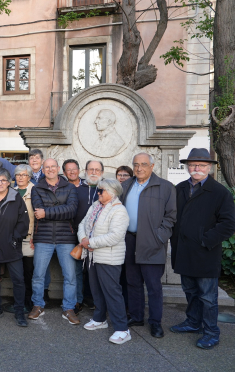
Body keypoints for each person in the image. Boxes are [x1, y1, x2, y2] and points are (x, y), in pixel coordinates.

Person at [170, 148, 235, 350]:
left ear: (209, 167)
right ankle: (192, 322)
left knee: (208, 297)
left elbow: (228, 223)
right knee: (189, 291)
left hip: (205, 253)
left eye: (201, 165)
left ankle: (211, 332)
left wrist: (205, 240)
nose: (196, 168)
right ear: (188, 166)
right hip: (183, 251)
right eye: (192, 165)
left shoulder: (219, 192)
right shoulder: (180, 188)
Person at [120, 152, 176, 339]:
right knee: (132, 282)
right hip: (129, 240)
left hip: (152, 243)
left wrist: (159, 237)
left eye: (144, 164)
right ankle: (136, 317)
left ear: (152, 166)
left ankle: (155, 323)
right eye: (136, 164)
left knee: (153, 286)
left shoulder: (165, 187)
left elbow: (171, 217)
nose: (139, 168)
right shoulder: (126, 185)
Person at [78, 179, 131, 344]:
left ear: (112, 192)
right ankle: (99, 319)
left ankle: (122, 329)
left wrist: (91, 243)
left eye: (101, 190)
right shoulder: (95, 206)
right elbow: (82, 224)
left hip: (109, 257)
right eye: (98, 190)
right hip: (92, 256)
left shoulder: (119, 210)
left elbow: (115, 236)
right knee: (96, 290)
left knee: (112, 293)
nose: (98, 193)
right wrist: (83, 240)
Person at [28, 158, 80, 325]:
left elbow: (71, 210)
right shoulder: (37, 188)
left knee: (70, 276)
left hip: (66, 238)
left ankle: (69, 308)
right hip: (43, 237)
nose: (50, 169)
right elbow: (38, 212)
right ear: (43, 170)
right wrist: (59, 210)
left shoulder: (70, 187)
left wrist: (47, 212)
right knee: (38, 275)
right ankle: (37, 305)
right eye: (47, 167)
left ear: (58, 168)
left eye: (53, 166)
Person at [0, 168, 30, 327]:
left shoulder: (16, 197)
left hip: (12, 247)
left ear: (9, 182)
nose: (0, 183)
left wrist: (14, 238)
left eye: (3, 180)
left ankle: (19, 311)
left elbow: (24, 222)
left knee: (18, 280)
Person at [72, 160, 104, 313]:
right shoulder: (76, 189)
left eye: (97, 170)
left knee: (95, 270)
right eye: (91, 169)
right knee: (77, 270)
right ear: (85, 171)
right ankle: (77, 300)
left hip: (99, 239)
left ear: (102, 173)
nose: (93, 172)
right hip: (77, 236)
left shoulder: (106, 190)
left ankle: (92, 299)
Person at [14, 164, 35, 311]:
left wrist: (35, 236)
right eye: (18, 175)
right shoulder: (11, 191)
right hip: (14, 239)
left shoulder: (35, 191)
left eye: (24, 175)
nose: (20, 177)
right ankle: (18, 303)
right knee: (16, 273)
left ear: (29, 176)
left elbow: (38, 217)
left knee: (28, 273)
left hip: (29, 239)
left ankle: (29, 303)